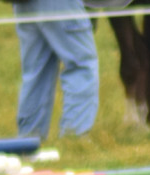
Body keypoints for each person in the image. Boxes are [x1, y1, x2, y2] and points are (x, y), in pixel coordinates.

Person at [13, 0, 99, 139]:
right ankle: (75, 134)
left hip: (24, 3)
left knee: (36, 70)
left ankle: (28, 138)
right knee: (81, 66)